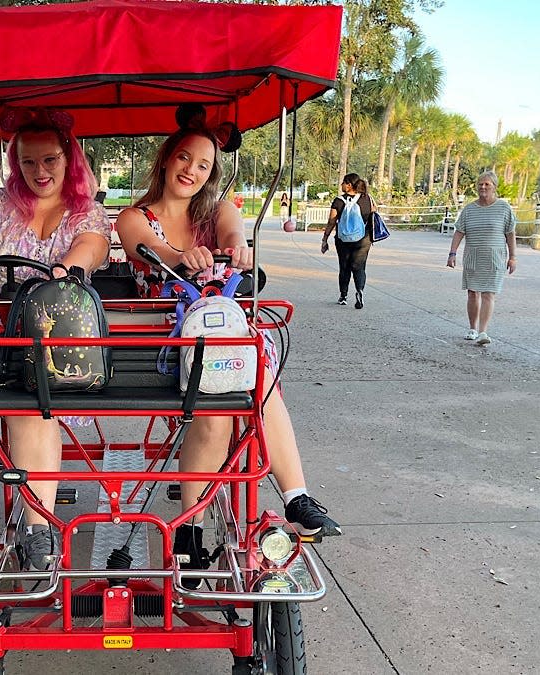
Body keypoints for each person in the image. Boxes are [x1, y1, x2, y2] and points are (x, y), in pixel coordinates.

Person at [115, 121, 341, 584]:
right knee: (218, 405)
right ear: (165, 159)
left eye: (203, 164)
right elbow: (151, 249)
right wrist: (182, 258)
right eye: (184, 159)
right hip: (162, 342)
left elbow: (235, 234)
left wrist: (237, 250)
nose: (191, 171)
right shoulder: (135, 216)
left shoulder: (217, 211)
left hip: (216, 338)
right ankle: (192, 528)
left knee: (254, 376)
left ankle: (295, 495)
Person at [0, 107, 111, 570]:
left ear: (68, 160)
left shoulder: (86, 211)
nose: (40, 172)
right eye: (28, 162)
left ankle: (37, 522)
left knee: (36, 398)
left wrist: (69, 267)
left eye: (50, 160)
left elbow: (91, 247)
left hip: (53, 330)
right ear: (16, 163)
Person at [446, 170, 516, 345]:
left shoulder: (503, 208)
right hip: (473, 256)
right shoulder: (470, 209)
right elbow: (459, 232)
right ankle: (472, 328)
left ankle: (483, 332)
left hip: (495, 258)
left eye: (487, 184)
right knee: (472, 293)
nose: (483, 187)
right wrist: (452, 253)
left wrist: (513, 257)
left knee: (488, 294)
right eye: (480, 184)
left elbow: (510, 233)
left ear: (494, 187)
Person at [320, 173, 375, 308]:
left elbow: (332, 221)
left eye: (343, 183)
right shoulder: (367, 198)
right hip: (363, 239)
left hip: (343, 239)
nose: (341, 185)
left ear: (349, 185)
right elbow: (373, 216)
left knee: (344, 267)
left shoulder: (339, 201)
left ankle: (343, 296)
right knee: (359, 266)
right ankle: (359, 290)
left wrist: (325, 239)